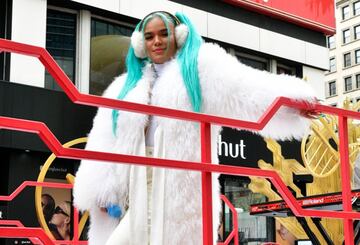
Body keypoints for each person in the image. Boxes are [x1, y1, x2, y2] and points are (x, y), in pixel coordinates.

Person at [73, 11, 317, 245]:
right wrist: (100, 189)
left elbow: (245, 88)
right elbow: (103, 137)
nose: (156, 41)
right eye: (149, 36)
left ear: (178, 36)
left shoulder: (199, 72)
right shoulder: (124, 86)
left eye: (163, 33)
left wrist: (293, 101)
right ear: (140, 43)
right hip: (133, 182)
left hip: (174, 182)